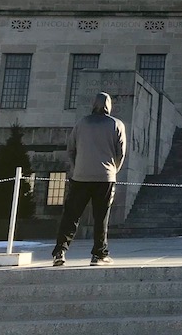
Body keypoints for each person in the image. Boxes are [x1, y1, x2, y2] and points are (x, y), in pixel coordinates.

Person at [52, 92, 126, 267]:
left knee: (71, 215)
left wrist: (77, 167)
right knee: (101, 216)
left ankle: (60, 252)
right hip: (105, 177)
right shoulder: (116, 124)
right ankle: (99, 254)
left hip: (81, 176)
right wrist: (113, 170)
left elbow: (71, 150)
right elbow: (121, 153)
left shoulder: (81, 123)